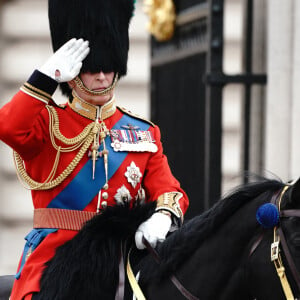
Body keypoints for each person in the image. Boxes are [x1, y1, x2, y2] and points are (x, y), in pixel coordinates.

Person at [0, 0, 189, 299]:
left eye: (108, 67)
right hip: (55, 263)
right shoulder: (48, 122)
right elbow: (8, 127)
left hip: (118, 265)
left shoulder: (143, 131)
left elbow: (170, 191)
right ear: (74, 72)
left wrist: (163, 216)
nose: (102, 76)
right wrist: (45, 77)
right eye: (91, 68)